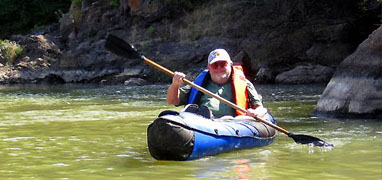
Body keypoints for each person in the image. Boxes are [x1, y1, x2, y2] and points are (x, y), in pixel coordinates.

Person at [166, 49, 267, 119]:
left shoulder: (245, 84)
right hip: (201, 122)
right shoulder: (198, 84)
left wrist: (255, 113)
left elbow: (261, 109)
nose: (219, 68)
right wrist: (175, 85)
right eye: (215, 65)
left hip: (233, 123)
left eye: (222, 64)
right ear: (209, 67)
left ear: (230, 65)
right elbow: (172, 100)